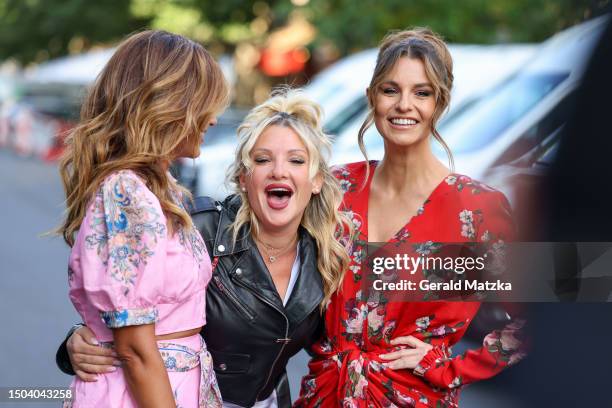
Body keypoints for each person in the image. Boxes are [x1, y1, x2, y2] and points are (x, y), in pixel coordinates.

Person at [56, 89, 352, 407]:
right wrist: (76, 341)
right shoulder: (198, 231)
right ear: (243, 177)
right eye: (262, 159)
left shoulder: (326, 255)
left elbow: (344, 339)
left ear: (317, 180)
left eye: (296, 160)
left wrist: (413, 353)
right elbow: (124, 305)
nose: (279, 171)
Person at [294, 28, 527, 407]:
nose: (404, 104)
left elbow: (545, 317)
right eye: (390, 90)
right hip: (324, 394)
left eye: (422, 92)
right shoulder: (335, 188)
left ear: (441, 103)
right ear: (372, 98)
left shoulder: (477, 208)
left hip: (413, 398)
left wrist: (451, 368)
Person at [56, 30, 229, 407]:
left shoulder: (156, 187)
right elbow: (133, 348)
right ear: (170, 105)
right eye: (205, 104)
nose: (214, 119)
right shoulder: (126, 192)